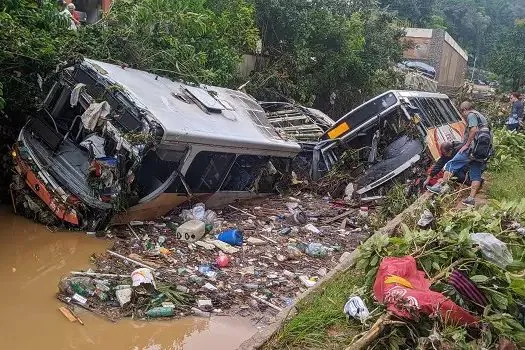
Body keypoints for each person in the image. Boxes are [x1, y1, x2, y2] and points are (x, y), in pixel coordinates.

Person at [427, 101, 489, 206]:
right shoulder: (481, 116)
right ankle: (471, 199)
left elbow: (473, 130)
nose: (463, 116)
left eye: (462, 113)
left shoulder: (471, 115)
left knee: (451, 165)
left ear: (464, 110)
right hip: (482, 150)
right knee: (476, 174)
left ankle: (440, 187)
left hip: (471, 148)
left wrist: (466, 144)